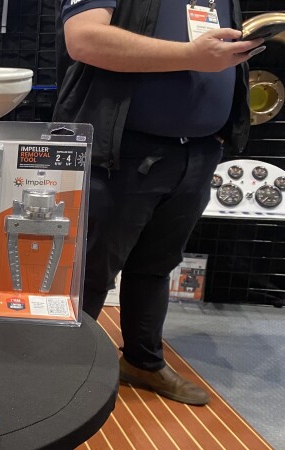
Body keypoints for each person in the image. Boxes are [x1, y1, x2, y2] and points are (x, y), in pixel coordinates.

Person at [54, 0, 263, 406]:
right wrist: (191, 56)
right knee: (90, 271)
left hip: (197, 152)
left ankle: (142, 361)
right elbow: (84, 39)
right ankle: (65, 376)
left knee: (156, 266)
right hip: (121, 153)